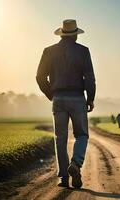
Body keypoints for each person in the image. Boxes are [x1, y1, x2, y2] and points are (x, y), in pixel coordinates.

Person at [36, 19, 96, 188]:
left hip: (58, 98)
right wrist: (90, 98)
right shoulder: (83, 51)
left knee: (60, 139)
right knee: (81, 135)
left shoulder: (48, 51)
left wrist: (51, 94)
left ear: (62, 34)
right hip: (77, 97)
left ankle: (63, 177)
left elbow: (40, 77)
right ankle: (76, 163)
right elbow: (89, 78)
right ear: (75, 35)